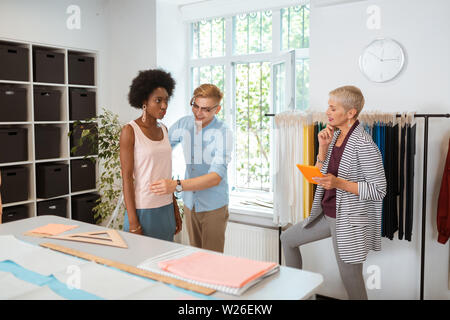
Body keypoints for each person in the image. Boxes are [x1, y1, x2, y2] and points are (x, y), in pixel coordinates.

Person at [280, 85, 387, 300]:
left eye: (333, 108)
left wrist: (338, 183)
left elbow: (379, 190)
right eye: (327, 107)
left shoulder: (364, 144)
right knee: (287, 239)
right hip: (326, 214)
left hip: (347, 220)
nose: (327, 112)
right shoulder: (335, 137)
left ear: (350, 113)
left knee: (350, 277)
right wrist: (322, 148)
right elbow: (321, 175)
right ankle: (296, 293)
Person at [150, 84, 233, 253]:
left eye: (205, 109)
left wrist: (176, 185)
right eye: (195, 106)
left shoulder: (224, 133)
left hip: (213, 206)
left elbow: (215, 177)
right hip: (189, 203)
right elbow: (162, 148)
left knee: (212, 261)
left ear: (217, 110)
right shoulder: (184, 123)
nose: (198, 113)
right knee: (195, 255)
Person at [119, 69, 182, 241]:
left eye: (166, 101)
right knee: (138, 265)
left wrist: (174, 209)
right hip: (143, 210)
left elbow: (165, 173)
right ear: (144, 101)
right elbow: (126, 178)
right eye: (158, 100)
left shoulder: (164, 129)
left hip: (166, 208)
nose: (164, 106)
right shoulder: (130, 131)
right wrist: (133, 222)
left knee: (163, 265)